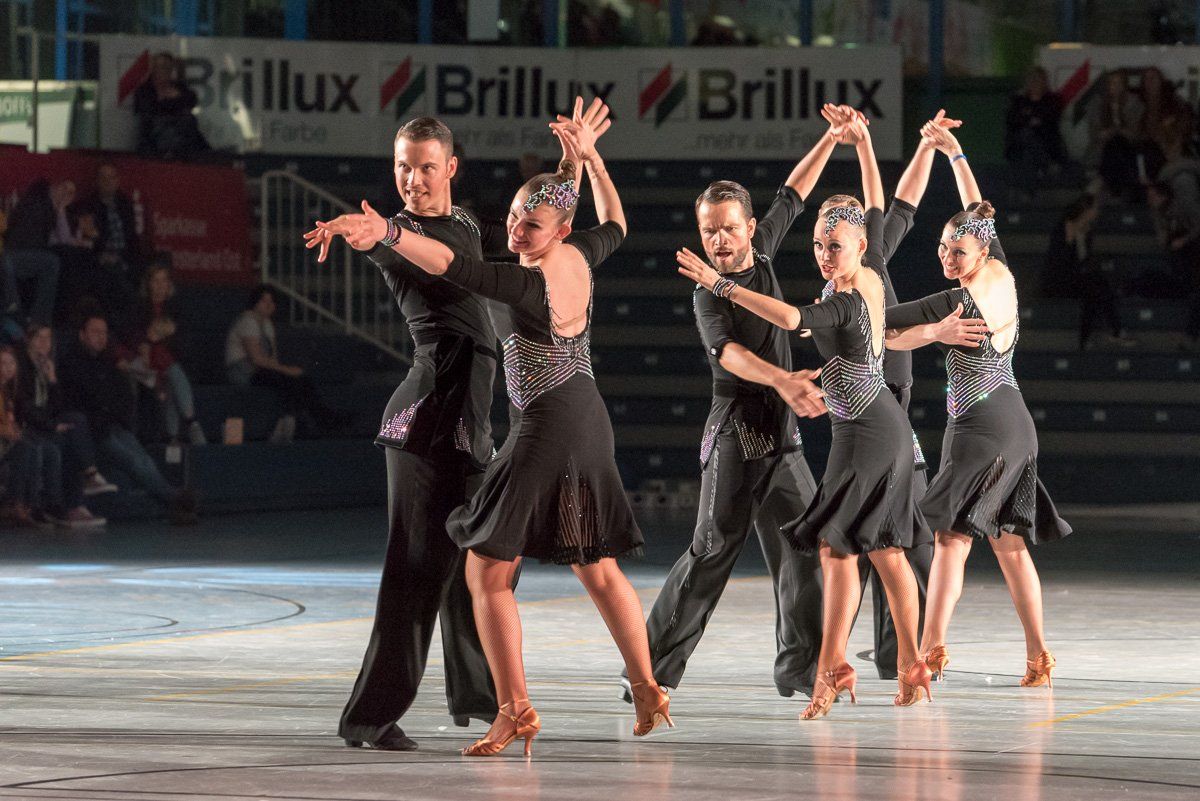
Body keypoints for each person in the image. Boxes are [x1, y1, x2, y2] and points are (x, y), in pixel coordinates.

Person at [316, 98, 672, 755]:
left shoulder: (481, 240)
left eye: (425, 166)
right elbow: (534, 232)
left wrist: (573, 165)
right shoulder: (410, 238)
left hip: (492, 422)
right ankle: (379, 715)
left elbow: (511, 238)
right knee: (437, 568)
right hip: (434, 419)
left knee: (483, 566)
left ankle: (493, 700)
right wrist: (380, 235)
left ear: (450, 167)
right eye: (402, 167)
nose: (412, 178)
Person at [677, 113, 934, 719]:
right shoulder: (864, 274)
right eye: (817, 244)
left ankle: (856, 665)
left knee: (859, 548)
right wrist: (859, 143)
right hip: (864, 427)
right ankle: (878, 664)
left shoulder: (846, 294)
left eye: (833, 245)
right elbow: (868, 205)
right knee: (859, 550)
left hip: (869, 431)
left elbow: (793, 320)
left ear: (860, 245)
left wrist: (721, 285)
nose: (822, 254)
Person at [634, 108, 847, 706]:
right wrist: (783, 380)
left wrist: (831, 138)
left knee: (807, 546)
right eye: (710, 232)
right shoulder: (707, 294)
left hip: (782, 440)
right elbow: (729, 355)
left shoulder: (767, 255)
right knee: (711, 552)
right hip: (737, 435)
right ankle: (647, 671)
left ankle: (798, 668)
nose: (720, 241)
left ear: (751, 228)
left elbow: (794, 193)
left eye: (729, 229)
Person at [884, 121, 1073, 690]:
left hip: (980, 427)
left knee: (950, 539)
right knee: (1009, 545)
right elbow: (978, 212)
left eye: (957, 249)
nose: (947, 255)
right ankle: (1039, 657)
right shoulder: (1003, 274)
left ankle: (928, 652)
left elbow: (881, 325)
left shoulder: (957, 301)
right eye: (942, 246)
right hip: (1016, 422)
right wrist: (957, 154)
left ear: (979, 251)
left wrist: (926, 331)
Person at [59, 314, 197, 524]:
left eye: (104, 332)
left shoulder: (109, 362)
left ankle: (174, 501)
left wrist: (120, 418)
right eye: (95, 332)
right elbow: (83, 399)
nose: (101, 337)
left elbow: (121, 394)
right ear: (82, 334)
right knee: (134, 462)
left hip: (113, 424)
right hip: (94, 429)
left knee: (144, 459)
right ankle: (175, 498)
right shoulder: (72, 363)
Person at [224, 285, 348, 441]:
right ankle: (305, 420)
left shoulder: (267, 324)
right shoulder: (247, 321)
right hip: (243, 371)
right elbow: (256, 359)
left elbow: (272, 358)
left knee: (299, 380)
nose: (268, 305)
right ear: (255, 302)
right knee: (289, 379)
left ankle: (308, 420)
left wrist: (286, 372)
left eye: (271, 302)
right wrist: (287, 370)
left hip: (261, 370)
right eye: (264, 301)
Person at [120, 264, 205, 445]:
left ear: (169, 284)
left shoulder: (176, 308)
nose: (160, 285)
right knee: (172, 371)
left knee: (171, 376)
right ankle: (191, 421)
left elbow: (182, 338)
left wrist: (160, 339)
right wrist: (148, 342)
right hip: (142, 361)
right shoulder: (138, 306)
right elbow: (131, 334)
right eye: (156, 281)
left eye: (164, 280)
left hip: (169, 357)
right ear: (149, 284)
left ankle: (172, 436)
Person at [1042, 194, 1135, 349]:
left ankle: (1090, 338)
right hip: (1058, 280)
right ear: (1086, 210)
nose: (1097, 212)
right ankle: (1114, 332)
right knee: (1096, 286)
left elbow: (1083, 261)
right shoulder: (1064, 228)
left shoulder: (1086, 232)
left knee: (1095, 290)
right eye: (1095, 209)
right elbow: (1058, 262)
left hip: (1076, 278)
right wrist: (1070, 241)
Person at [73, 163, 146, 318]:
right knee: (115, 278)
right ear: (97, 181)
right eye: (103, 177)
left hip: (125, 256)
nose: (108, 182)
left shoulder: (125, 204)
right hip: (102, 257)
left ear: (118, 180)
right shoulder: (89, 205)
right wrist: (102, 254)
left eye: (111, 177)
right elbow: (89, 238)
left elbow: (132, 237)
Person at [1, 179, 65, 326]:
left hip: (14, 255)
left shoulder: (27, 206)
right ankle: (38, 319)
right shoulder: (41, 208)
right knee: (51, 262)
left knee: (50, 262)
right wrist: (59, 209)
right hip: (15, 255)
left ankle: (19, 311)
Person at [133, 52, 211, 161]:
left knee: (188, 123)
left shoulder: (179, 87)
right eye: (161, 67)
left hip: (183, 137)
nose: (165, 71)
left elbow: (191, 100)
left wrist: (171, 102)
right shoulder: (145, 91)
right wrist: (175, 103)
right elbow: (151, 109)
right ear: (153, 69)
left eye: (168, 67)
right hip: (157, 139)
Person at [1004, 67, 1068, 199]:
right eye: (1032, 80)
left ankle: (1029, 194)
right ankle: (1045, 165)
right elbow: (1013, 120)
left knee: (1029, 151)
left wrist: (1031, 119)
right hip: (1021, 144)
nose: (1035, 84)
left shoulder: (1053, 100)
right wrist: (1030, 120)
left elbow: (1050, 119)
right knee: (1026, 140)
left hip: (1047, 142)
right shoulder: (1019, 100)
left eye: (1038, 80)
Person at [1087, 71, 1144, 201]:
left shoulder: (1135, 103)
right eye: (1112, 83)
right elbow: (1094, 133)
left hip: (1128, 148)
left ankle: (1105, 181)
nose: (1115, 86)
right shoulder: (1097, 103)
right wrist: (1112, 131)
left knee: (1117, 142)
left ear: (1125, 85)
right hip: (1102, 147)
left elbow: (1136, 133)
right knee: (1114, 143)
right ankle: (1115, 187)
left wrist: (1118, 130)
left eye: (1119, 83)